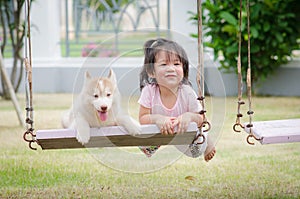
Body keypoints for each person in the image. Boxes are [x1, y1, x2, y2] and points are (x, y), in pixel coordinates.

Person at [138, 38, 216, 162]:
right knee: (142, 143)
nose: (171, 69)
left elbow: (202, 119)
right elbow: (143, 118)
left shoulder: (186, 91)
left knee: (195, 151)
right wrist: (158, 119)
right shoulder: (149, 91)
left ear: (183, 70)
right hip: (161, 131)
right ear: (151, 72)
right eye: (164, 64)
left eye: (176, 64)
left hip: (183, 132)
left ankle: (207, 138)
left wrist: (189, 116)